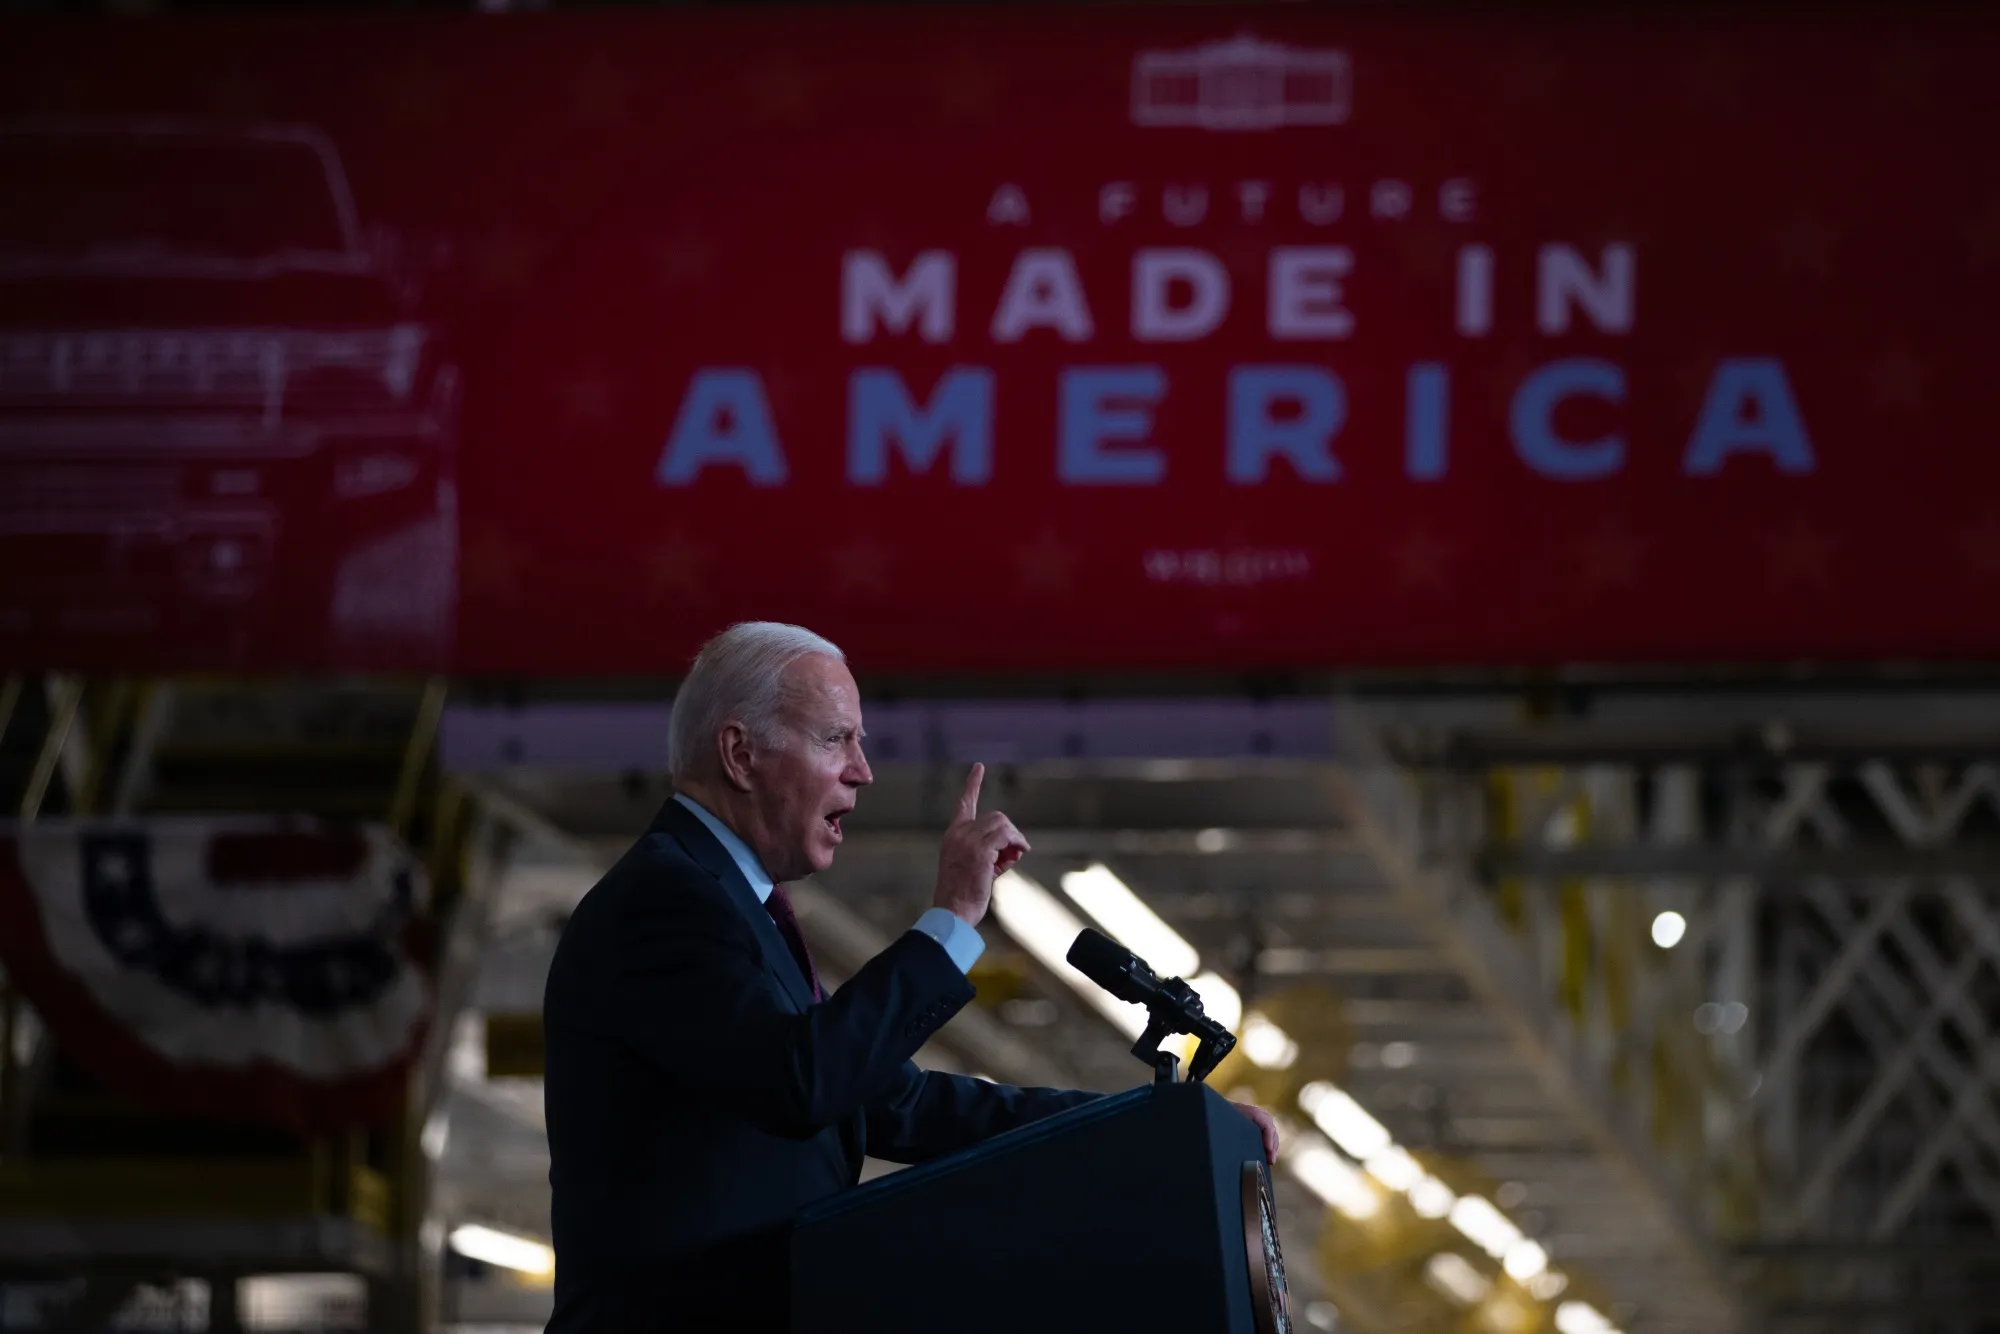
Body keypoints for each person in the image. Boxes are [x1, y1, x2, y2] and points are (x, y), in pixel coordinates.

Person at [541, 622, 1278, 1332]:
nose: (864, 769)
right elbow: (804, 1081)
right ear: (740, 754)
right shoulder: (664, 901)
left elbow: (905, 1103)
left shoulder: (733, 907)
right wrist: (953, 918)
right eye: (836, 738)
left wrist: (1165, 1128)